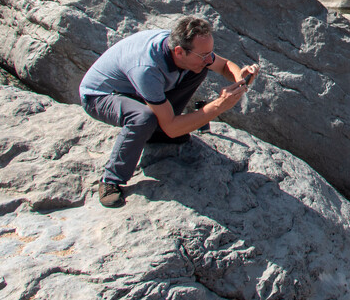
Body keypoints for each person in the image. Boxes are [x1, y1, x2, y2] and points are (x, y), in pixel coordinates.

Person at [79, 15, 259, 207]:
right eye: (203, 55)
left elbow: (223, 65)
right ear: (180, 52)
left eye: (210, 53)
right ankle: (111, 179)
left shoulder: (185, 51)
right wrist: (219, 105)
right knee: (143, 117)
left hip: (136, 90)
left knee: (199, 69)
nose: (209, 59)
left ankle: (158, 133)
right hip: (101, 95)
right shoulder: (147, 69)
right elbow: (173, 127)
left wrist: (239, 76)